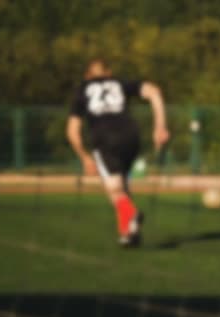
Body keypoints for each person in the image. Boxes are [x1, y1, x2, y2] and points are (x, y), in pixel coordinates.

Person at [67, 59, 169, 247]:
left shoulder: (82, 89)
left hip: (105, 140)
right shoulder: (120, 83)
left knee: (113, 189)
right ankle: (129, 233)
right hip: (131, 137)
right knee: (121, 185)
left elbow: (72, 131)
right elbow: (155, 92)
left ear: (87, 76)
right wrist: (160, 127)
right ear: (109, 73)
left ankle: (131, 214)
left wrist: (84, 156)